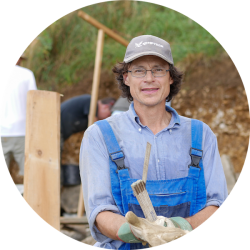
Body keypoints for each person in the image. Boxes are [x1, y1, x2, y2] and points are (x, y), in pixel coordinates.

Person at [80, 35, 228, 249]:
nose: (149, 78)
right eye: (139, 70)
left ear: (170, 77)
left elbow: (218, 205)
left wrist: (182, 226)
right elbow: (99, 211)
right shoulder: (100, 135)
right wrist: (134, 230)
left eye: (158, 69)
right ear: (126, 78)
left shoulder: (200, 134)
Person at [0, 53, 37, 180]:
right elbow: (35, 102)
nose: (21, 61)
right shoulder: (27, 74)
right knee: (28, 175)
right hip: (21, 131)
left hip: (1, 132)